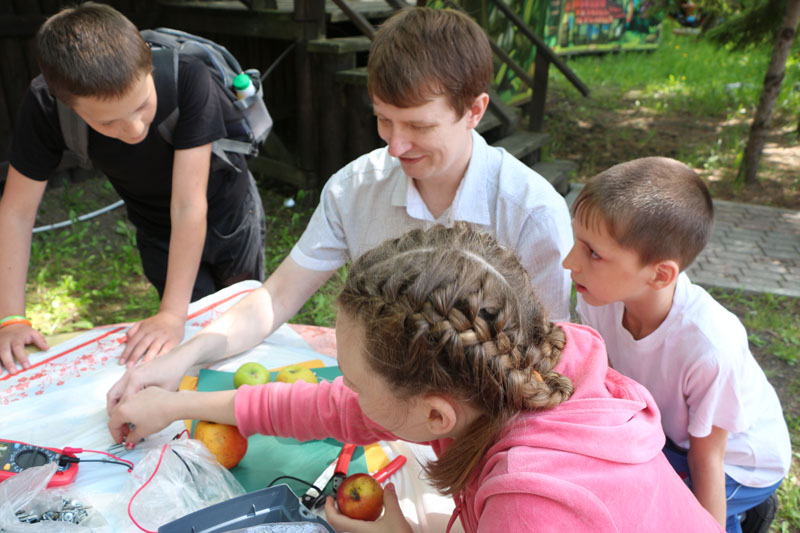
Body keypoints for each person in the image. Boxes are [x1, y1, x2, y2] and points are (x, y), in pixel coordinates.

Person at [108, 223, 723, 532]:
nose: (341, 389)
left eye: (352, 377)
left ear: (434, 417)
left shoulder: (531, 500)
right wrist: (173, 405)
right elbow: (331, 409)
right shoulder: (524, 366)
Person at [106, 6, 572, 408]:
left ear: (475, 110)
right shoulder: (354, 188)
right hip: (372, 404)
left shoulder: (531, 212)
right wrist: (183, 357)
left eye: (418, 126)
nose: (395, 147)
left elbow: (553, 359)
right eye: (383, 120)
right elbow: (277, 297)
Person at [0, 2, 266, 375]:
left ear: (149, 68)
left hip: (228, 214)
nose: (135, 129)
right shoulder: (45, 106)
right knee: (187, 345)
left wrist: (173, 314)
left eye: (143, 106)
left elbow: (189, 206)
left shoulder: (188, 77)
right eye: (108, 122)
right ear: (68, 105)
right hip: (156, 225)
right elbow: (15, 212)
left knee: (239, 323)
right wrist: (10, 317)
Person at [562, 157, 791, 533]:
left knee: (668, 512)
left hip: (738, 462)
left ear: (660, 274)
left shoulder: (710, 346)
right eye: (576, 242)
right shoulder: (599, 297)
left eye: (593, 253)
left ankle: (743, 516)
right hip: (673, 436)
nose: (571, 262)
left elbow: (709, 460)